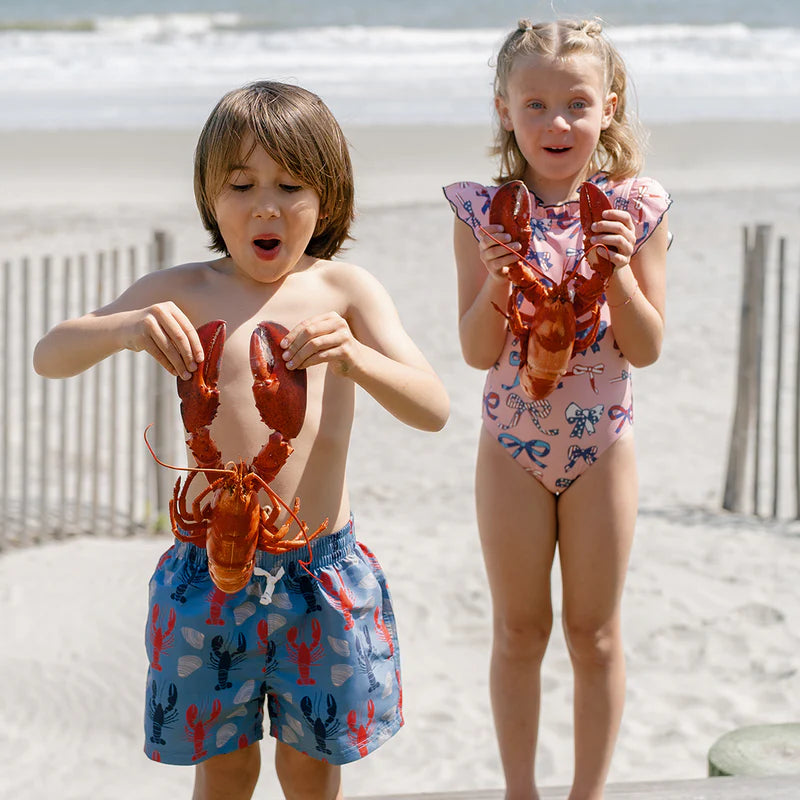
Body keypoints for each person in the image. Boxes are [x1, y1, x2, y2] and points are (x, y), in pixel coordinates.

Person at [34, 80, 449, 800]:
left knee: (311, 765)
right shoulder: (180, 289)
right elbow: (50, 353)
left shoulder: (347, 291)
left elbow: (434, 408)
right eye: (240, 184)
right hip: (207, 572)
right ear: (209, 195)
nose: (266, 204)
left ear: (328, 196)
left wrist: (356, 356)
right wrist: (126, 329)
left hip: (319, 572)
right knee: (222, 766)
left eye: (291, 184)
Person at [443, 19, 671, 800]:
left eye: (576, 103)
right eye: (535, 104)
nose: (557, 123)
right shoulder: (483, 214)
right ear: (505, 109)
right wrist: (501, 282)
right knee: (518, 630)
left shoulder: (635, 206)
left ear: (608, 107)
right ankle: (520, 791)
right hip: (511, 444)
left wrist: (619, 276)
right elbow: (476, 350)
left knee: (594, 632)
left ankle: (587, 793)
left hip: (603, 444)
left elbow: (645, 346)